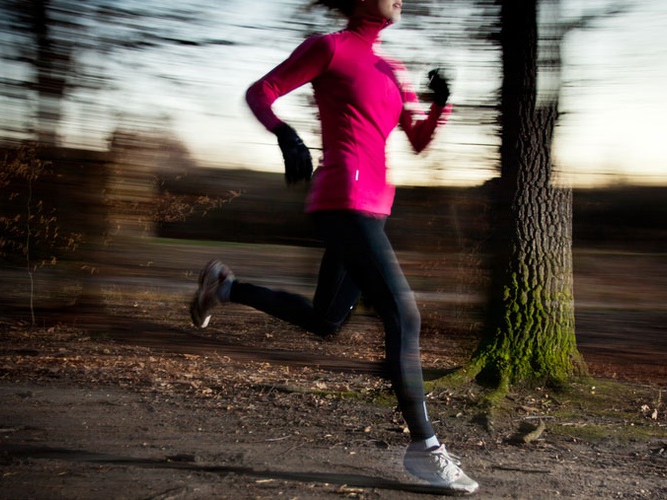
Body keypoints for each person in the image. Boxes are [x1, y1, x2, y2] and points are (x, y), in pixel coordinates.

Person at [190, 0, 478, 494]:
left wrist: (440, 104)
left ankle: (225, 286)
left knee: (327, 320)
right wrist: (285, 135)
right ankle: (424, 449)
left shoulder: (392, 68)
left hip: (374, 206)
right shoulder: (330, 48)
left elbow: (417, 140)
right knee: (404, 317)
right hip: (342, 197)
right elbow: (262, 92)